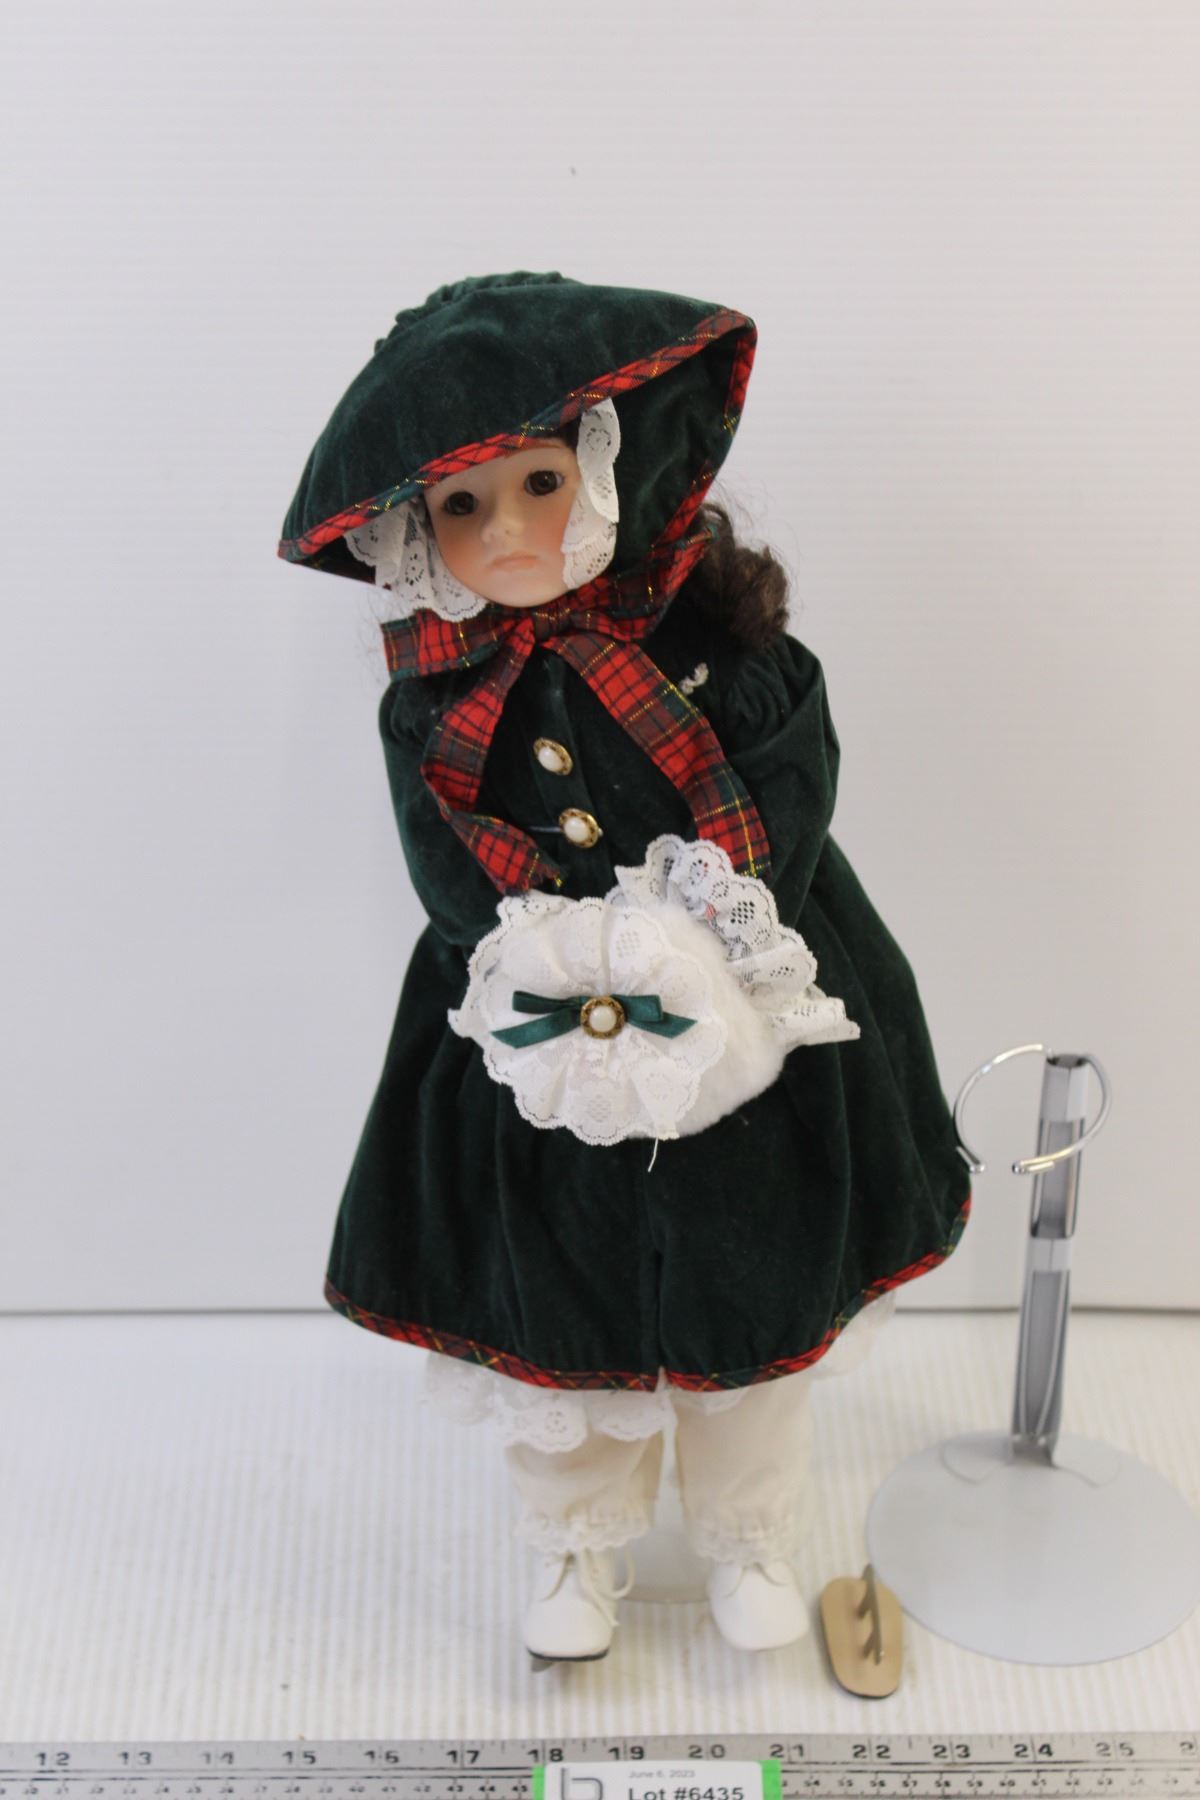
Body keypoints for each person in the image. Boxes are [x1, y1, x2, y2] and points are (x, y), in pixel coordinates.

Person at [277, 271, 972, 1660]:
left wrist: (705, 955)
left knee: (750, 1278)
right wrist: (544, 960)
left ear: (611, 464)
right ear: (413, 528)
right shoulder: (432, 704)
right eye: (462, 504)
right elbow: (448, 866)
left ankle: (747, 1538)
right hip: (535, 1037)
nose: (505, 531)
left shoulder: (727, 650)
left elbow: (787, 805)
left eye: (538, 483)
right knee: (557, 1298)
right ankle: (574, 1549)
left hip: (757, 1005)